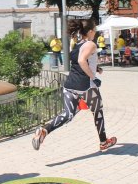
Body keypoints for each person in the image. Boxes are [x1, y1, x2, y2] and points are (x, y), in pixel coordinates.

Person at [32, 19, 117, 153]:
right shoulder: (91, 44)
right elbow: (81, 60)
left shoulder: (77, 44)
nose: (95, 32)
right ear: (89, 32)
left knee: (68, 114)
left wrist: (97, 68)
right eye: (94, 30)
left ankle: (44, 131)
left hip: (70, 85)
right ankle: (103, 142)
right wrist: (93, 78)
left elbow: (81, 62)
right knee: (97, 111)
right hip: (86, 86)